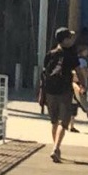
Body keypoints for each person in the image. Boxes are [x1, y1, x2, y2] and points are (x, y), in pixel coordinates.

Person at [38, 26, 78, 162]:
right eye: (70, 38)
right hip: (64, 91)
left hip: (50, 91)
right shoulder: (70, 55)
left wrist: (41, 93)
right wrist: (83, 85)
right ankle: (56, 148)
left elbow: (44, 75)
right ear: (65, 40)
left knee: (54, 122)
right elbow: (79, 71)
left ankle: (56, 147)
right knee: (63, 123)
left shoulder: (50, 54)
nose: (72, 40)